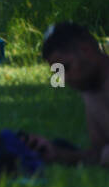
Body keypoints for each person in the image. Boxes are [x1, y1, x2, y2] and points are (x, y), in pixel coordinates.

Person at [28, 23, 109, 167]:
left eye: (65, 67)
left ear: (86, 50)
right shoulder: (90, 92)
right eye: (57, 72)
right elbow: (99, 153)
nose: (63, 79)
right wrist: (58, 154)